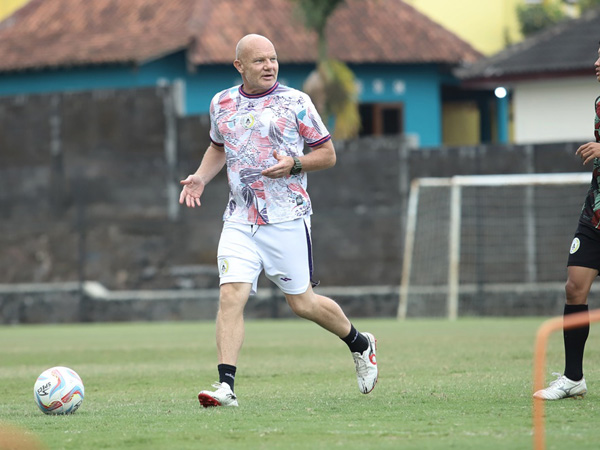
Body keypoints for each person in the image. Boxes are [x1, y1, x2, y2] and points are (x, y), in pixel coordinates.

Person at [179, 34, 378, 407]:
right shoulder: (221, 102)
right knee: (230, 296)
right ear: (239, 66)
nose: (269, 66)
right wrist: (201, 177)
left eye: (273, 59)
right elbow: (217, 147)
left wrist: (295, 163)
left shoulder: (295, 102)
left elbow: (328, 154)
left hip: (287, 218)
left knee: (302, 304)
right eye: (259, 61)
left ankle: (360, 343)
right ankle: (226, 387)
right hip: (238, 219)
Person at [533, 44, 600, 401]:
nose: (597, 62)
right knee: (575, 287)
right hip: (596, 213)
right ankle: (574, 378)